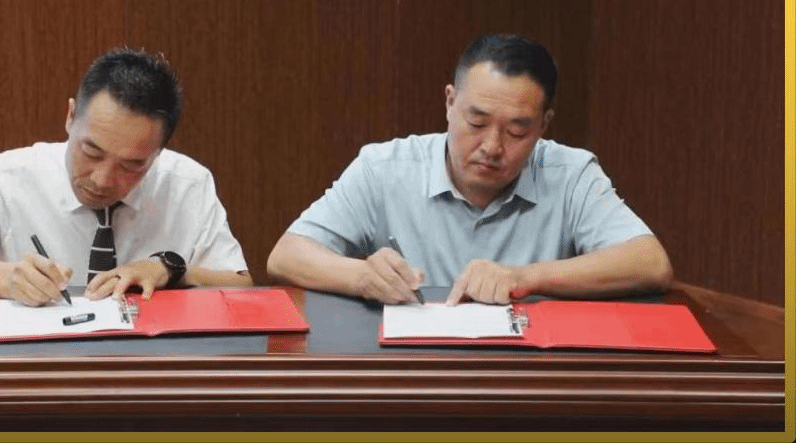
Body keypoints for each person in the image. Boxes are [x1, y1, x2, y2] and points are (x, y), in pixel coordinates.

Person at [267, 33, 672, 306]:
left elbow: (650, 263)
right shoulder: (385, 168)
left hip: (529, 382)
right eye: (476, 122)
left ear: (544, 125)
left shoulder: (570, 173)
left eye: (517, 131)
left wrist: (524, 277)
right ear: (449, 102)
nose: (492, 147)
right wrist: (361, 276)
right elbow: (286, 256)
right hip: (414, 378)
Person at [0, 48, 252, 306]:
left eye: (131, 166)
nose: (102, 179)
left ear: (158, 154)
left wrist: (171, 270)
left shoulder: (188, 183)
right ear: (70, 117)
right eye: (91, 152)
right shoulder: (12, 177)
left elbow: (241, 286)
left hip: (148, 375)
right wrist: (7, 279)